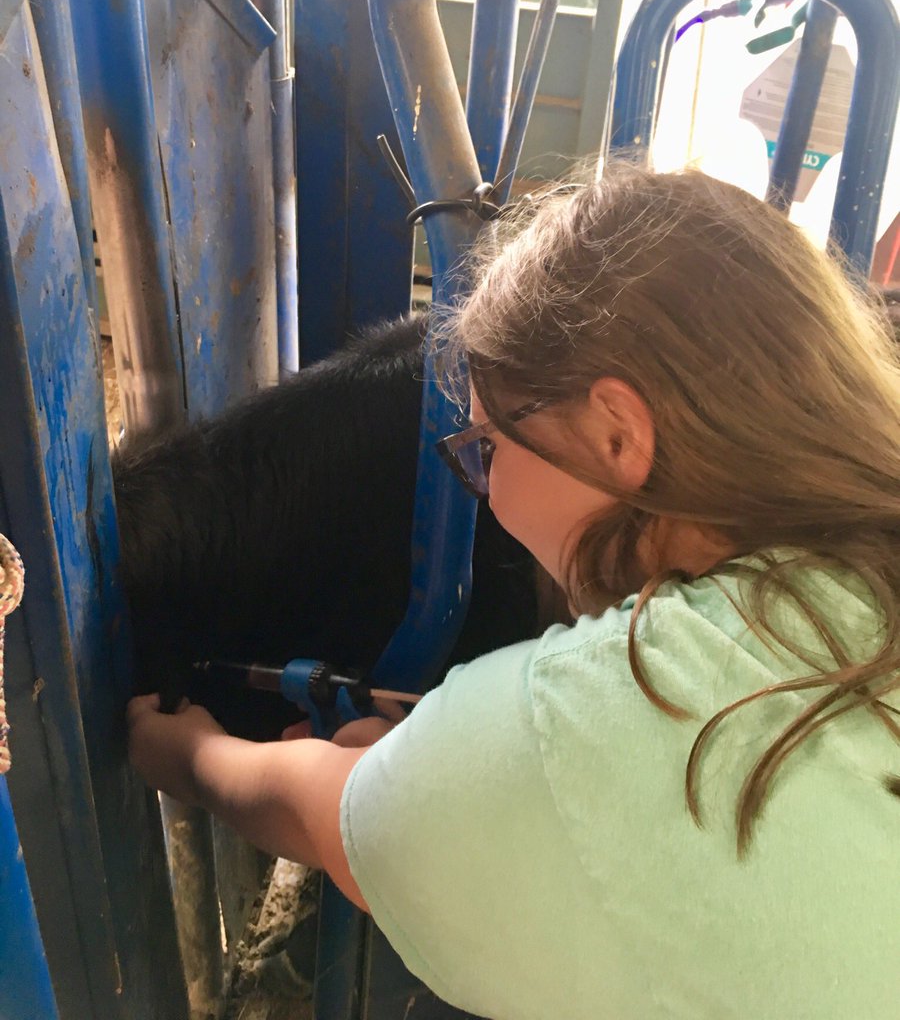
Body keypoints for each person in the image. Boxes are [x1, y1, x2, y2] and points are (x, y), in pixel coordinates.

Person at [128, 165, 900, 1019]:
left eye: (488, 447)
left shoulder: (628, 708)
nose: (482, 483)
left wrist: (185, 755)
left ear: (617, 433)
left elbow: (332, 822)